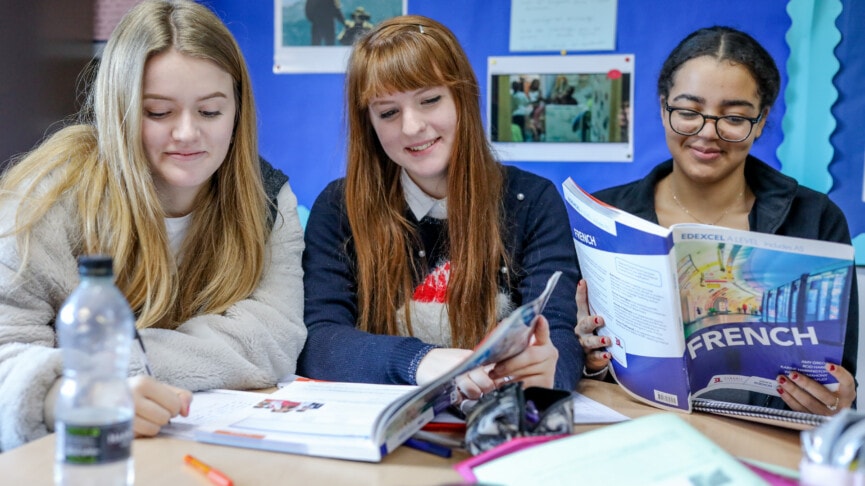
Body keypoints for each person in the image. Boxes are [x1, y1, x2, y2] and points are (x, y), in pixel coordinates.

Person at [0, 0, 306, 451]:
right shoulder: (48, 194)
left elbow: (273, 335)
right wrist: (81, 395)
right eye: (159, 113)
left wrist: (112, 366)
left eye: (210, 112)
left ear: (237, 110)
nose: (187, 134)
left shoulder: (267, 198)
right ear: (118, 108)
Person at [575, 26, 858, 415]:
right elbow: (575, 366)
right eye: (688, 112)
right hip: (635, 434)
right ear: (663, 108)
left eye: (734, 118)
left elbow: (840, 375)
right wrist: (588, 358)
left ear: (760, 122)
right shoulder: (606, 216)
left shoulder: (815, 218)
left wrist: (835, 396)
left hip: (765, 443)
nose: (708, 133)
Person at [299, 15, 583, 399]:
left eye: (430, 100)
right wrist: (421, 361)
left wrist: (548, 369)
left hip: (495, 426)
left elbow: (559, 335)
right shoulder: (339, 208)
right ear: (369, 123)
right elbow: (319, 342)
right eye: (387, 112)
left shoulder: (532, 201)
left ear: (462, 97)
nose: (412, 126)